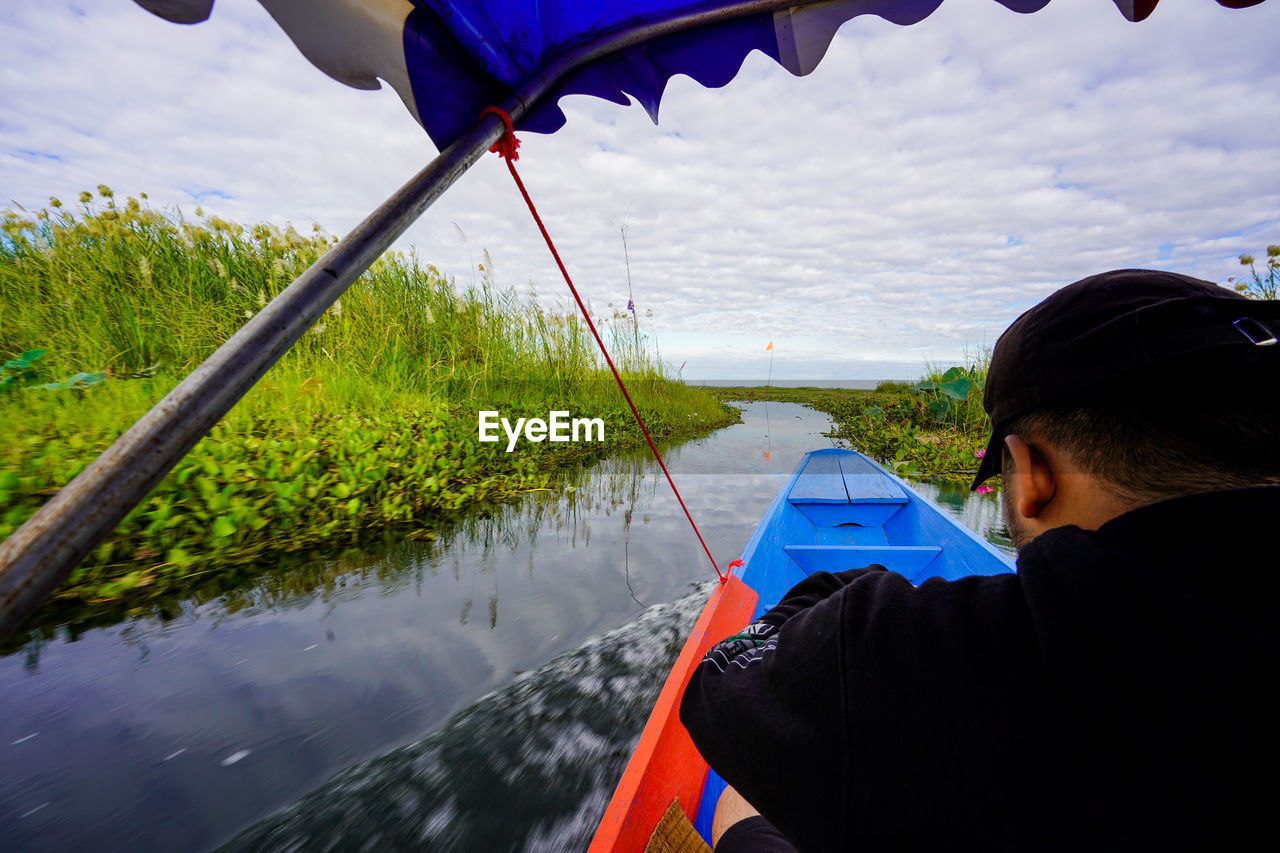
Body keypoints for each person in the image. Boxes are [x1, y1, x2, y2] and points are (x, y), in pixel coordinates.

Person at [679, 269, 1280, 851]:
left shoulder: (889, 644)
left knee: (740, 806)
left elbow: (716, 686)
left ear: (1031, 476)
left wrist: (859, 585)